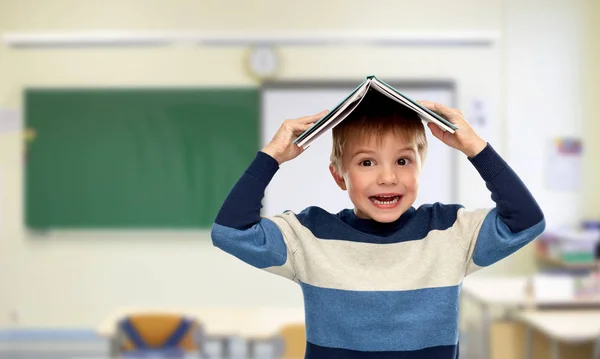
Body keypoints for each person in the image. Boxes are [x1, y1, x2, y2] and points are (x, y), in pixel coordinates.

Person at [211, 94, 545, 359]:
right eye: (367, 162)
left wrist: (475, 148)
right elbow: (231, 232)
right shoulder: (309, 236)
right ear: (339, 176)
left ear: (420, 167)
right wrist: (271, 156)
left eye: (403, 161)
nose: (388, 177)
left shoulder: (449, 232)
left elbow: (525, 222)